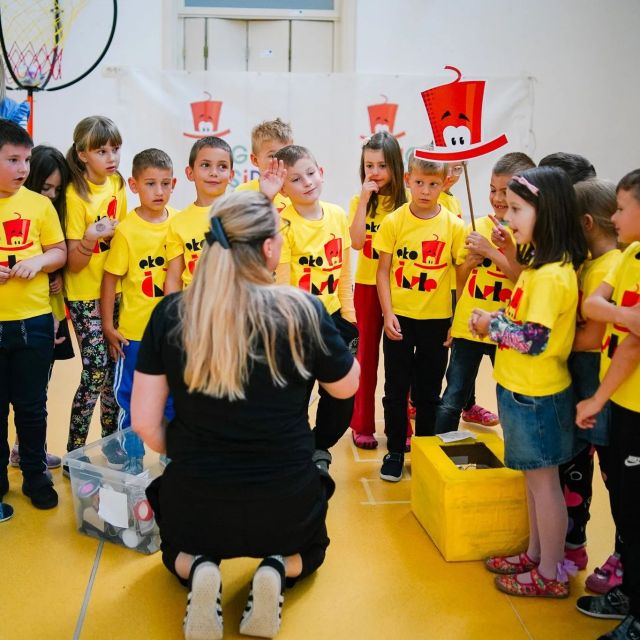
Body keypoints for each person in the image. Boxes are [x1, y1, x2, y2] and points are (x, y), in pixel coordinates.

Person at [131, 191, 359, 640]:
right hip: (285, 501)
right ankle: (277, 568)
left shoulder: (172, 314)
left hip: (198, 501)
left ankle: (199, 569)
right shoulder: (301, 310)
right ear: (270, 249)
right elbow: (346, 386)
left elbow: (143, 421)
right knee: (313, 550)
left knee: (173, 549)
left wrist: (181, 448)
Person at [471, 166, 587, 598]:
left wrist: (489, 325)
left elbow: (532, 340)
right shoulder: (539, 269)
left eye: (517, 209)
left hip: (537, 395)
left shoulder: (553, 276)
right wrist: (500, 318)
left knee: (544, 486)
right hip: (521, 391)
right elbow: (524, 321)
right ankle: (538, 554)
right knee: (533, 483)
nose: (507, 216)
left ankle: (552, 572)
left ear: (548, 214)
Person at [574, 169, 640, 640]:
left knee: (635, 506)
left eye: (621, 208)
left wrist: (596, 397)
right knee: (623, 495)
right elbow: (596, 307)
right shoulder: (631, 254)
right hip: (620, 401)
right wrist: (625, 315)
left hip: (630, 403)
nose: (614, 217)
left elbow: (632, 347)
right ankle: (629, 591)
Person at [374, 155, 465, 482]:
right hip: (400, 321)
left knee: (428, 392)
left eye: (434, 184)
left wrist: (458, 319)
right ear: (409, 179)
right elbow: (382, 272)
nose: (426, 191)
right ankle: (396, 449)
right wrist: (388, 314)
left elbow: (462, 274)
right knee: (395, 389)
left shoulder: (454, 225)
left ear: (445, 184)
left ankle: (425, 449)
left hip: (437, 322)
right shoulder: (394, 221)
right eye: (420, 183)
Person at [434, 152, 535, 435]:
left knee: (510, 396)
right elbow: (462, 278)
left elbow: (522, 277)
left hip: (506, 325)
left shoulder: (528, 234)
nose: (497, 198)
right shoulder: (478, 226)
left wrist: (491, 251)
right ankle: (440, 454)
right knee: (453, 395)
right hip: (469, 323)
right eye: (493, 190)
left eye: (505, 191)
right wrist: (468, 263)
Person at [274, 144, 358, 473]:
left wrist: (349, 318)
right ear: (284, 189)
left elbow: (344, 272)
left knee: (341, 396)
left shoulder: (337, 215)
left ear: (321, 172)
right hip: (297, 324)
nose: (307, 182)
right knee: (295, 396)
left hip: (334, 320)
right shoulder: (283, 224)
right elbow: (281, 285)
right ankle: (295, 452)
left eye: (310, 173)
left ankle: (318, 446)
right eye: (296, 178)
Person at [0, 119, 67, 510]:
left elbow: (59, 252)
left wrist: (39, 261)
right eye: (13, 159)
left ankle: (34, 473)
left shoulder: (39, 205)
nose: (23, 168)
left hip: (34, 322)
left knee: (31, 405)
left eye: (26, 159)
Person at [561, 179, 623, 589]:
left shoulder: (613, 267)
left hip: (602, 391)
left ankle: (622, 553)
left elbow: (590, 337)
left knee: (614, 476)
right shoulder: (587, 263)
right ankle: (573, 542)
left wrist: (540, 334)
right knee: (576, 467)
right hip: (580, 388)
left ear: (584, 223)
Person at [101, 149, 177, 474]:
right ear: (133, 185)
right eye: (150, 184)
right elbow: (109, 280)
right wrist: (108, 324)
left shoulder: (179, 224)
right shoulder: (127, 231)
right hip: (134, 335)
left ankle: (172, 453)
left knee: (173, 398)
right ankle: (131, 457)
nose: (158, 192)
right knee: (130, 398)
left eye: (164, 184)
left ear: (174, 184)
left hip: (172, 335)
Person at [63, 116, 127, 470]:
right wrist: (91, 237)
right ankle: (75, 449)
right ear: (83, 154)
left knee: (115, 367)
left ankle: (110, 441)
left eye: (115, 148)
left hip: (115, 291)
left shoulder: (117, 182)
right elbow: (73, 264)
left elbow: (122, 240)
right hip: (84, 294)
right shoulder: (75, 195)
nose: (111, 156)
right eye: (101, 150)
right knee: (96, 370)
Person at [10, 145, 75, 470]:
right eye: (44, 187)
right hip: (28, 315)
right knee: (25, 392)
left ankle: (28, 450)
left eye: (56, 189)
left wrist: (57, 276)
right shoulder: (23, 211)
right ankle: (24, 450)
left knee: (37, 391)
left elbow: (59, 254)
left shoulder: (52, 213)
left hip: (49, 314)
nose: (50, 195)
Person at [348, 132, 408, 449]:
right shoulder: (361, 202)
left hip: (401, 290)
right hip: (367, 288)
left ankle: (402, 427)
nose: (374, 172)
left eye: (382, 165)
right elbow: (357, 242)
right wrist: (363, 202)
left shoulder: (409, 203)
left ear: (395, 167)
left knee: (400, 363)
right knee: (365, 358)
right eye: (369, 165)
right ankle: (362, 424)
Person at [164, 137, 234, 293]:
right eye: (205, 165)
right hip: (193, 309)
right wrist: (171, 315)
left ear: (231, 175)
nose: (213, 173)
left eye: (222, 166)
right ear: (190, 173)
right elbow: (174, 278)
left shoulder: (240, 213)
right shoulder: (179, 223)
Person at [235, 117, 293, 212]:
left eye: (286, 154)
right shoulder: (242, 193)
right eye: (272, 155)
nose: (280, 161)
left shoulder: (298, 189)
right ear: (255, 160)